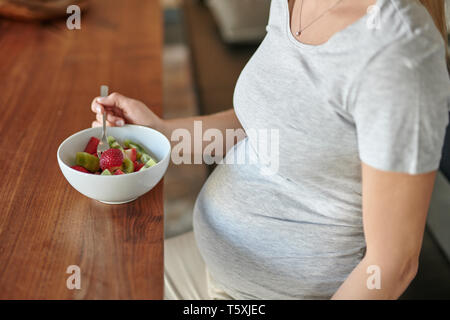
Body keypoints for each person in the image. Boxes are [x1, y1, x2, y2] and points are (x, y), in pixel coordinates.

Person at [91, 0, 450, 299]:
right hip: (211, 268)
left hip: (269, 294)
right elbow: (267, 123)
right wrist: (163, 134)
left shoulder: (399, 51)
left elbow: (393, 263)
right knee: (91, 283)